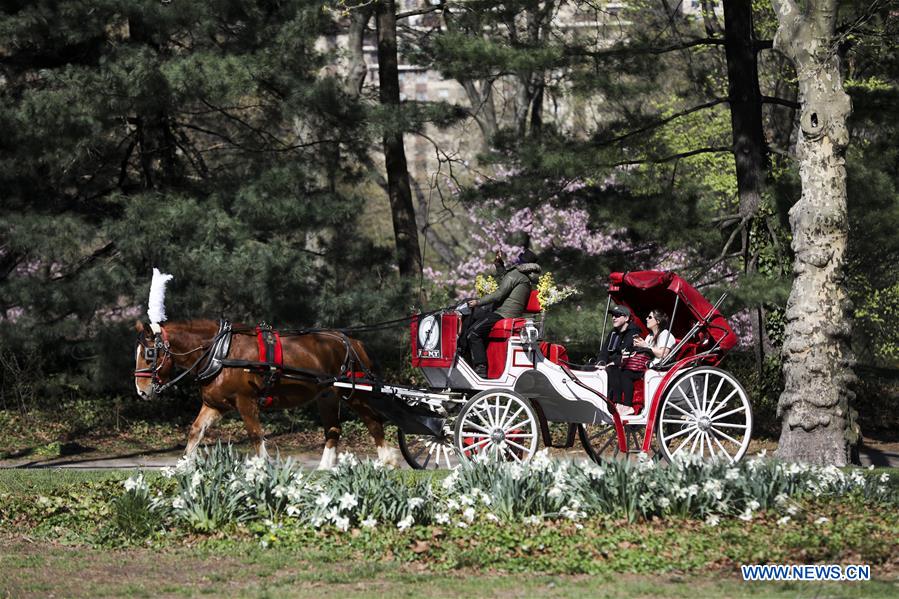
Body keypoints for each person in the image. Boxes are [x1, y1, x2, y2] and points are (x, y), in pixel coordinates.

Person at [465, 248, 541, 378]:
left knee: (473, 333)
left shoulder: (516, 274)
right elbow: (505, 278)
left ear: (521, 261)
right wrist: (499, 265)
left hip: (502, 313)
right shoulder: (524, 276)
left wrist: (478, 302)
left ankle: (480, 367)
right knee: (474, 319)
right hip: (510, 312)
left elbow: (499, 294)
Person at [597, 305, 641, 416]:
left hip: (626, 365)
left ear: (626, 318)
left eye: (617, 315)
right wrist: (601, 363)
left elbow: (627, 353)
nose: (613, 318)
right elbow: (604, 351)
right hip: (610, 364)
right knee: (591, 368)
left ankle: (617, 403)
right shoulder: (613, 333)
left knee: (612, 369)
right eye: (613, 315)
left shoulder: (633, 332)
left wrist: (611, 363)